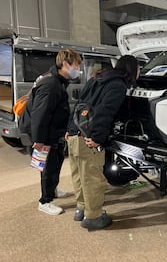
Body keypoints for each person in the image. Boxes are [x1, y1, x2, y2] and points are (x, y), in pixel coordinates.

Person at [66, 55, 139, 230]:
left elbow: (79, 104)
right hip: (88, 138)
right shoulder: (118, 86)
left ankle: (81, 209)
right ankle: (93, 217)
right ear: (132, 69)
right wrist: (98, 138)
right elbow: (104, 113)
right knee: (92, 178)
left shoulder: (97, 78)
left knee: (79, 175)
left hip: (75, 134)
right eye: (138, 69)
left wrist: (70, 129)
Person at [20, 49, 82, 215]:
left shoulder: (56, 80)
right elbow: (40, 114)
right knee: (48, 166)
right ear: (65, 64)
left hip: (53, 132)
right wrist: (39, 140)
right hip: (45, 134)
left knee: (54, 164)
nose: (79, 68)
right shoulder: (51, 84)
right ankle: (45, 201)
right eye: (76, 64)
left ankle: (52, 190)